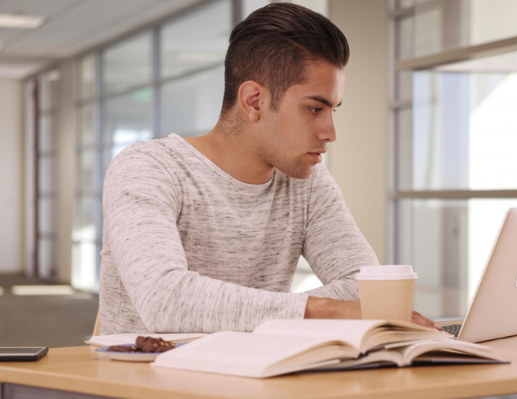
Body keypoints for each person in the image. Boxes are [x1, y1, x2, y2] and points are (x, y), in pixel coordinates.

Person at [99, 2, 439, 334]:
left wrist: (262, 313)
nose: (331, 133)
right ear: (254, 101)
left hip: (257, 380)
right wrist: (319, 310)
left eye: (333, 109)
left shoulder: (305, 181)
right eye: (314, 108)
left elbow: (363, 288)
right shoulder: (147, 168)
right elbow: (165, 299)